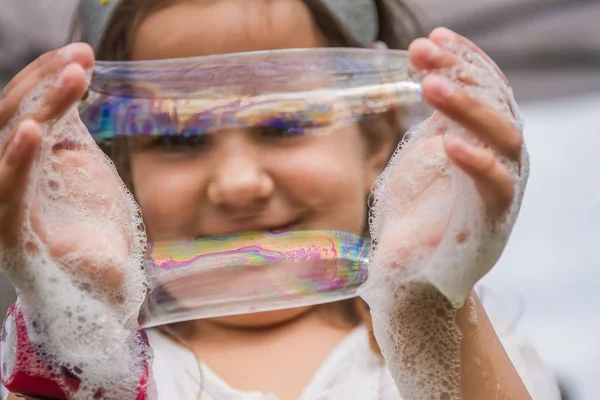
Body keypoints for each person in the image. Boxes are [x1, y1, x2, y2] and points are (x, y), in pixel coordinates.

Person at [0, 0, 559, 399]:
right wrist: (72, 328)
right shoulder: (103, 369)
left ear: (377, 137)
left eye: (286, 123)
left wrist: (428, 307)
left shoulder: (467, 355)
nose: (238, 182)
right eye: (175, 137)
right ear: (118, 165)